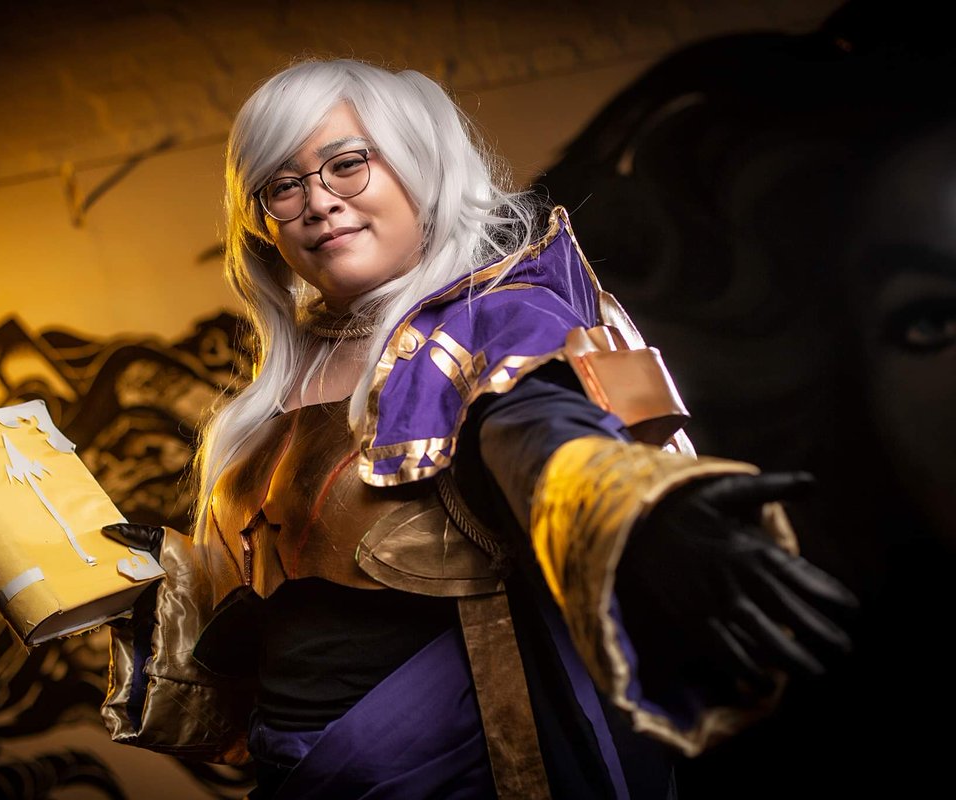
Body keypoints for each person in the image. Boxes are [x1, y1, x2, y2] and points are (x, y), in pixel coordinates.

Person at [97, 58, 856, 799]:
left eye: (347, 164)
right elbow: (245, 672)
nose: (317, 201)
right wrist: (160, 591)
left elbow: (543, 433)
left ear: (420, 169)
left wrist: (643, 512)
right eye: (282, 185)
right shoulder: (262, 405)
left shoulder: (499, 319)